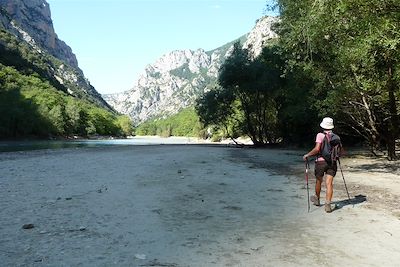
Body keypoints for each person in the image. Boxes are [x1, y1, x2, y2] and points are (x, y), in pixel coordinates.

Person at [303, 117, 337, 213]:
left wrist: (307, 155)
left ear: (323, 125)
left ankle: (317, 200)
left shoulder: (320, 135)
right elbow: (341, 151)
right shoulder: (335, 137)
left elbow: (317, 149)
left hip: (321, 162)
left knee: (319, 181)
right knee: (329, 183)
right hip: (332, 162)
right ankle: (328, 204)